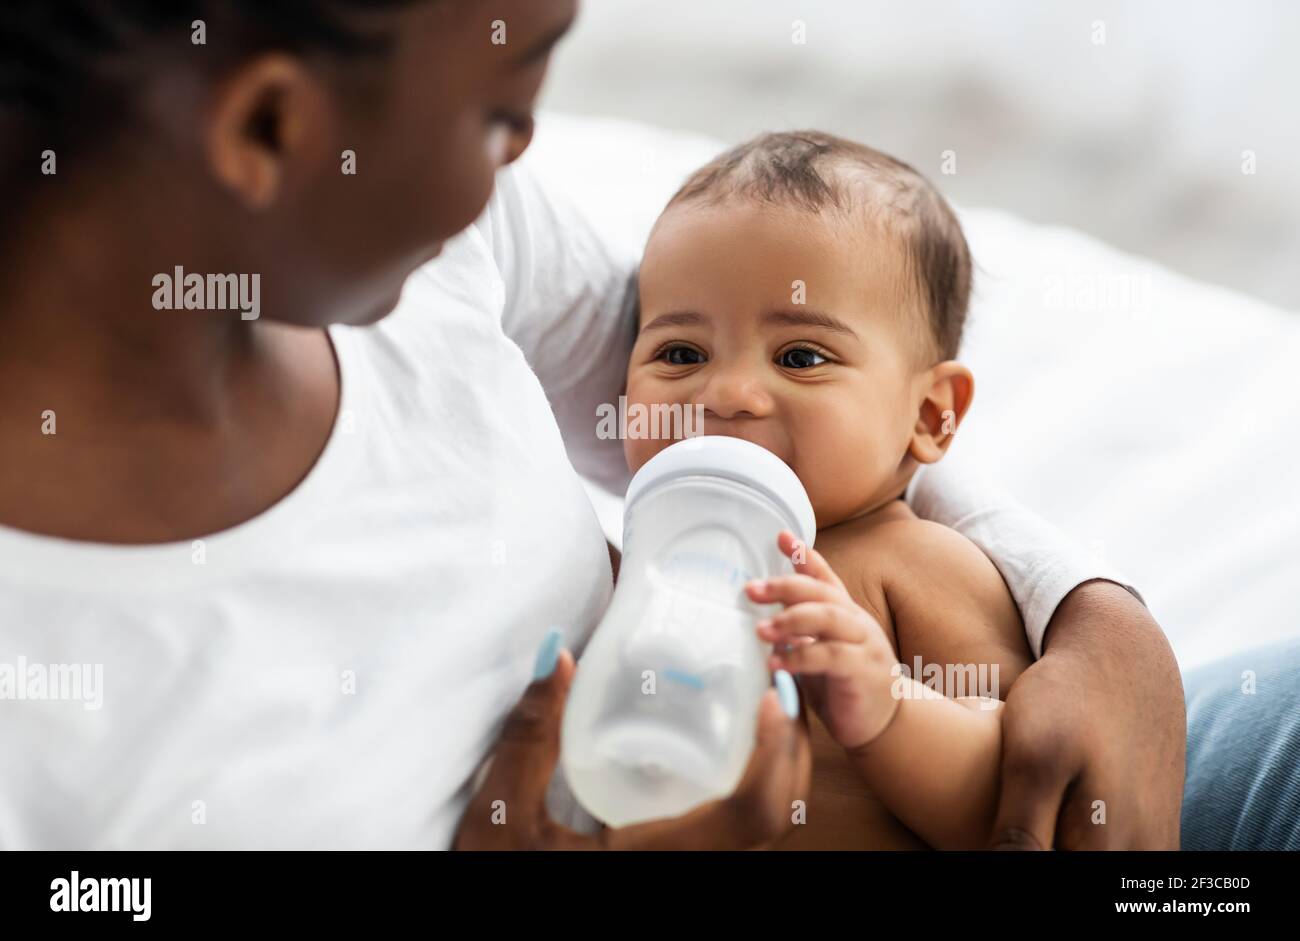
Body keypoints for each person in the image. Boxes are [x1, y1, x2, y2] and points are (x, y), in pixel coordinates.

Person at [0, 0, 1184, 850]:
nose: (521, 160)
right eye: (498, 114)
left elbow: (786, 412)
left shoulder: (448, 251)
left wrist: (1093, 616)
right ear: (270, 129)